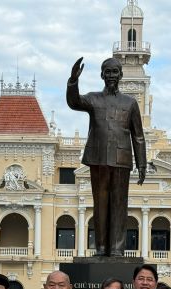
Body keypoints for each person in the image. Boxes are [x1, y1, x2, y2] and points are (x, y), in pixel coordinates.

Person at [66, 56, 147, 257]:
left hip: (122, 160)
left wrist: (142, 164)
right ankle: (101, 247)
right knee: (100, 203)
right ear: (102, 75)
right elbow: (74, 102)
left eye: (114, 72)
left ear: (120, 75)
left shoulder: (130, 103)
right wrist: (73, 81)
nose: (111, 76)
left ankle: (118, 248)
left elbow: (138, 135)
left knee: (120, 204)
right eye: (107, 72)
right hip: (98, 158)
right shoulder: (94, 99)